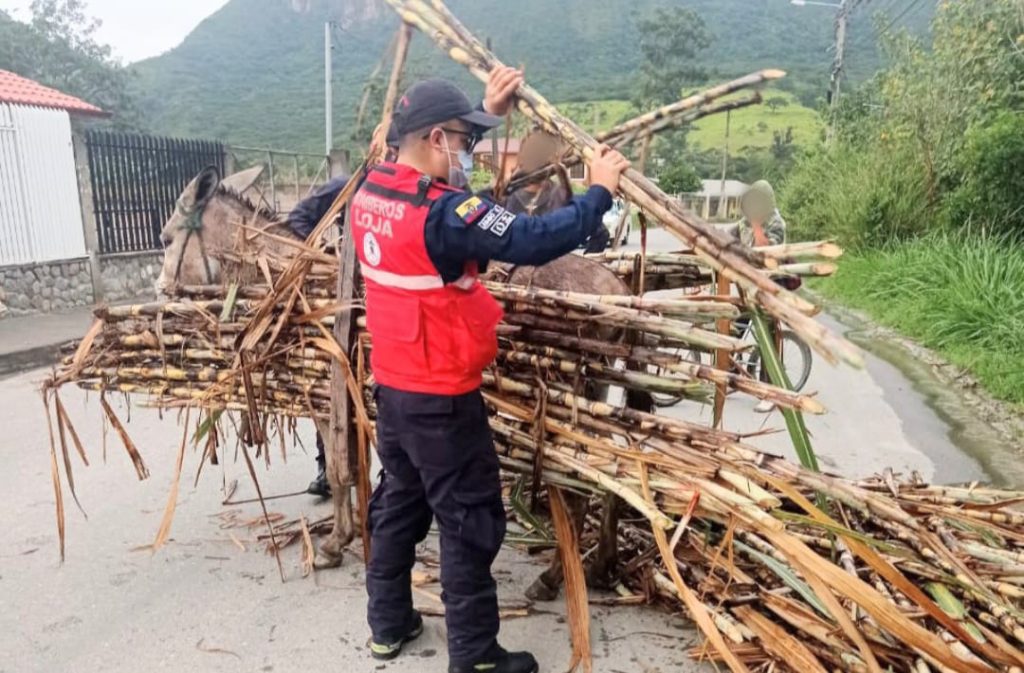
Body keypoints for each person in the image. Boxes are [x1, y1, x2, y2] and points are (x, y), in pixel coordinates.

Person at [352, 69, 631, 673]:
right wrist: (598, 193)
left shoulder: (370, 192)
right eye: (462, 140)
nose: (468, 154)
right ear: (434, 138)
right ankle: (476, 657)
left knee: (400, 502)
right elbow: (531, 238)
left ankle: (388, 625)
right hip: (443, 398)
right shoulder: (446, 213)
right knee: (469, 519)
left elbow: (443, 183)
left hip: (394, 391)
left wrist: (484, 111)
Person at [287, 174, 350, 497]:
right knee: (327, 383)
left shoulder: (421, 187)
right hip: (342, 293)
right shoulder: (351, 185)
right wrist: (325, 256)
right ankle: (327, 466)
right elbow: (298, 218)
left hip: (388, 294)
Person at [726, 179, 788, 413]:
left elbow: (765, 252)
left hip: (770, 289)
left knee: (767, 341)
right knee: (733, 328)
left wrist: (757, 225)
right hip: (748, 288)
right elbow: (727, 238)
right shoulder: (743, 223)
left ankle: (770, 393)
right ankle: (732, 373)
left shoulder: (776, 223)